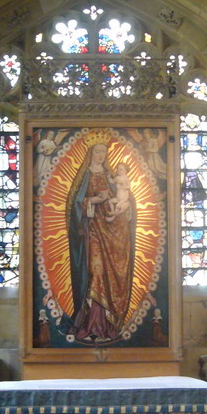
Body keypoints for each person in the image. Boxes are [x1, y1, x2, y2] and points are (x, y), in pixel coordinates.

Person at [67, 141, 135, 342]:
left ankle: (107, 324)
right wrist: (95, 200)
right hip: (91, 230)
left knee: (107, 273)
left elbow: (123, 198)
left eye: (103, 152)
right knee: (95, 272)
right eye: (97, 152)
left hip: (109, 229)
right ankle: (91, 324)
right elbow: (76, 204)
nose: (100, 155)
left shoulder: (109, 175)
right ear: (91, 154)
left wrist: (126, 206)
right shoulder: (84, 175)